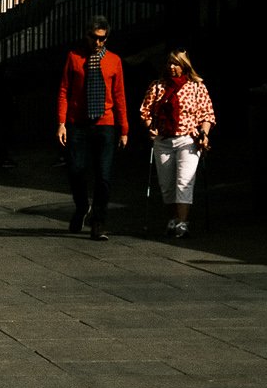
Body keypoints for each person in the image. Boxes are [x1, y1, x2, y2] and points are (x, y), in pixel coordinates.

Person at [57, 14, 128, 240]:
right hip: (78, 124)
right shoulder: (74, 57)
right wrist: (61, 123)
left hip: (105, 124)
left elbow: (119, 96)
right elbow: (64, 91)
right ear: (87, 35)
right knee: (76, 170)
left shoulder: (114, 60)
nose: (98, 43)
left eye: (102, 39)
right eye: (95, 38)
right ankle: (81, 207)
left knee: (104, 175)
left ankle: (98, 222)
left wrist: (124, 128)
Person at [139, 48, 217, 239]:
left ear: (184, 67)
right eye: (170, 64)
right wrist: (150, 127)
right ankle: (172, 219)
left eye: (176, 64)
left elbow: (207, 115)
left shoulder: (197, 87)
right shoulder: (157, 87)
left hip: (188, 140)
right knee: (166, 184)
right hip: (163, 140)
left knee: (184, 182)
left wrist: (204, 133)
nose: (172, 67)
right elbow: (145, 111)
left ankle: (182, 223)